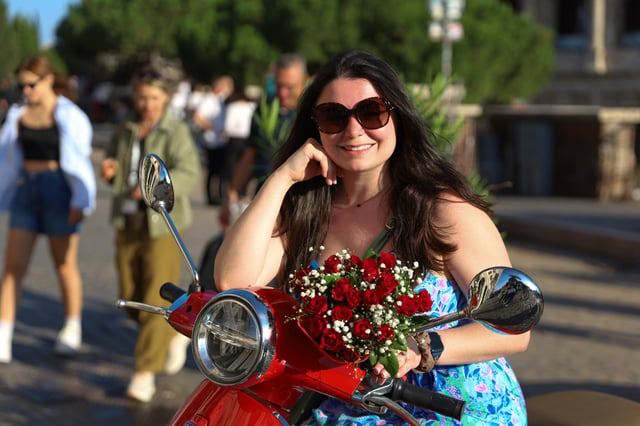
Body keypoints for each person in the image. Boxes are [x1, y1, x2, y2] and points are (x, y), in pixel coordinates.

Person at [214, 50, 530, 425]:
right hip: (343, 404)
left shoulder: (444, 211)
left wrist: (423, 349)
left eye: (372, 112)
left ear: (398, 117)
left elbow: (513, 330)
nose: (353, 130)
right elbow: (232, 281)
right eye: (333, 117)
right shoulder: (307, 211)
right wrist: (282, 179)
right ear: (315, 129)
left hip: (450, 404)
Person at [100, 65, 200, 403]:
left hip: (162, 224)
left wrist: (157, 192)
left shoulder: (175, 131)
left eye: (154, 97)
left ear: (166, 98)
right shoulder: (127, 127)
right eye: (142, 96)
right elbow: (115, 161)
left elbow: (189, 171)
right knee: (131, 293)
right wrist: (109, 169)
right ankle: (172, 334)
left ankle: (144, 371)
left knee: (155, 296)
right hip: (126, 222)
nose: (147, 103)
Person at [0, 55, 96, 363]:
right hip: (26, 189)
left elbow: (80, 161)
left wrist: (80, 201)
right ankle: (3, 335)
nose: (25, 90)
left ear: (48, 80)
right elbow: (7, 158)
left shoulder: (69, 115)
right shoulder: (17, 113)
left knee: (64, 265)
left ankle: (72, 328)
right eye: (22, 85)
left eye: (31, 84)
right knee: (13, 267)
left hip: (59, 190)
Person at [219, 53, 308, 228]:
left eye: (289, 87)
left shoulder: (312, 114)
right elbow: (250, 155)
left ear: (305, 81)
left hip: (300, 205)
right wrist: (232, 195)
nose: (282, 93)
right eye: (278, 85)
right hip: (264, 201)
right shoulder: (264, 109)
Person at [191, 75, 234, 205]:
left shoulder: (221, 99)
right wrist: (210, 126)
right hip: (211, 141)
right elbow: (197, 116)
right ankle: (210, 197)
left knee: (221, 171)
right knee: (212, 171)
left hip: (220, 140)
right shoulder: (208, 99)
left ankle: (219, 195)